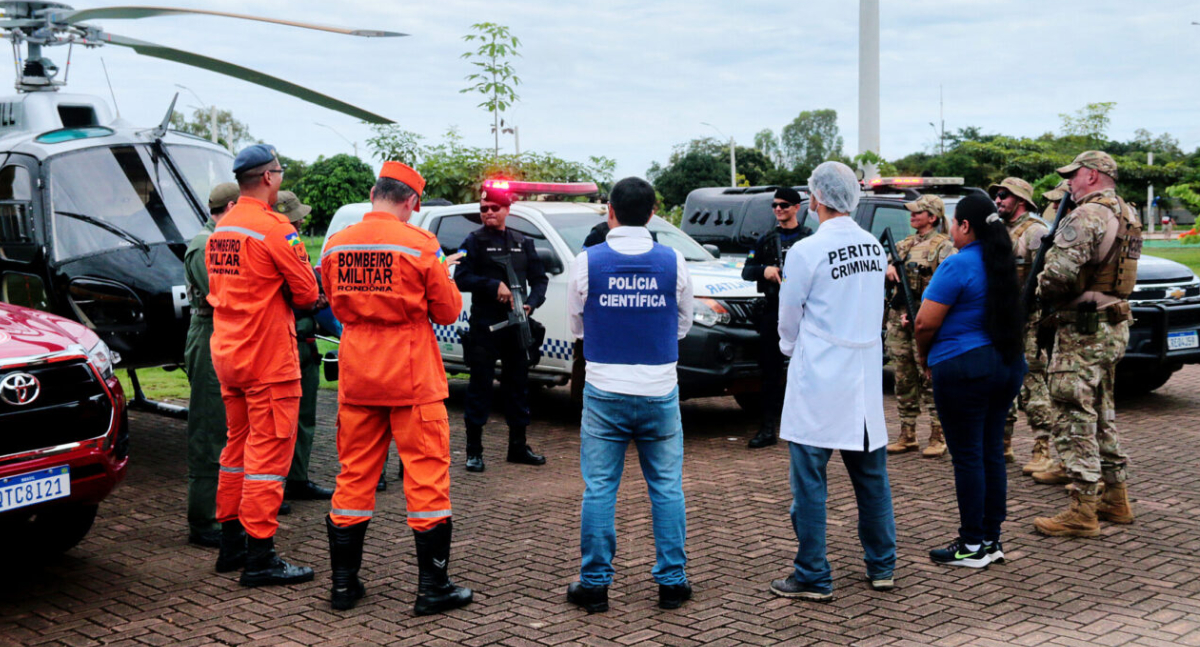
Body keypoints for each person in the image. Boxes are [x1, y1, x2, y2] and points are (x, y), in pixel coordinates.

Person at [321, 162, 472, 615]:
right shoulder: (421, 245)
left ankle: (344, 587)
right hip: (411, 379)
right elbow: (445, 313)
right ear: (413, 203)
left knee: (353, 478)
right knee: (426, 480)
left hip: (359, 375)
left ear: (373, 193)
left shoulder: (334, 245)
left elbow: (332, 301)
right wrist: (444, 275)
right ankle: (432, 589)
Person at [565, 177, 695, 613]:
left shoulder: (587, 261)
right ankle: (672, 582)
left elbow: (576, 326)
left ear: (610, 210)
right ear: (654, 211)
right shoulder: (674, 260)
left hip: (604, 389)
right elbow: (684, 322)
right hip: (660, 388)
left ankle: (595, 584)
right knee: (667, 488)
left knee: (600, 489)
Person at [768, 161, 895, 601]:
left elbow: (789, 315)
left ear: (816, 199)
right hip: (862, 377)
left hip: (819, 378)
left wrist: (789, 350)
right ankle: (882, 566)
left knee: (809, 485)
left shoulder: (806, 251)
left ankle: (813, 575)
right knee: (872, 479)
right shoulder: (874, 249)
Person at [207, 144, 320, 587]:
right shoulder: (274, 228)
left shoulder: (224, 227)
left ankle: (231, 545)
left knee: (236, 451)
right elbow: (307, 293)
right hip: (268, 360)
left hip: (230, 355)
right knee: (267, 459)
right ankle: (260, 557)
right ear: (270, 177)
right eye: (280, 172)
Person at [914, 193, 1027, 567]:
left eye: (954, 221)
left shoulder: (957, 264)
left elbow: (924, 322)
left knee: (967, 456)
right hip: (1005, 364)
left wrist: (924, 355)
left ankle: (970, 544)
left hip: (964, 366)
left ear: (964, 226)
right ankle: (991, 540)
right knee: (990, 451)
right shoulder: (1001, 263)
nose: (950, 226)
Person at [1033, 151, 1141, 537]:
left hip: (1082, 329)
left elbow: (1058, 275)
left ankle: (1083, 509)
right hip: (1113, 325)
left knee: (1072, 413)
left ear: (1092, 175)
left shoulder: (1087, 215)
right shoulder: (1128, 213)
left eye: (1074, 176)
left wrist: (1039, 288)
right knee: (1101, 411)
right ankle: (1116, 496)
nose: (1069, 184)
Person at [454, 187, 549, 472]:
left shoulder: (522, 242)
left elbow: (540, 279)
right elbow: (460, 277)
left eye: (495, 208)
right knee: (479, 388)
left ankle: (518, 447)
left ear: (507, 210)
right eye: (484, 209)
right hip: (485, 327)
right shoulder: (472, 241)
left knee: (518, 386)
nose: (489, 213)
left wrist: (531, 304)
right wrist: (492, 285)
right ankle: (474, 451)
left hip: (517, 325)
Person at [267, 191, 336, 502]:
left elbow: (308, 288)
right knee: (276, 422)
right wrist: (307, 298)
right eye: (297, 217)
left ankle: (297, 479)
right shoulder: (271, 246)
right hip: (282, 342)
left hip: (306, 341)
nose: (302, 220)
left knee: (305, 416)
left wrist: (316, 298)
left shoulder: (297, 248)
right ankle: (271, 489)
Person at [183, 182, 239, 548]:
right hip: (208, 332)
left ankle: (220, 511)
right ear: (232, 205)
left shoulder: (216, 239)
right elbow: (223, 294)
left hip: (220, 332)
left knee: (224, 426)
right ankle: (204, 520)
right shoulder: (205, 244)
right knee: (208, 429)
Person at [990, 177, 1055, 470]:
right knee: (1000, 383)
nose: (999, 200)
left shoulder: (1035, 232)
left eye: (1004, 195)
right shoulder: (997, 231)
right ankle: (1002, 444)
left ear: (1022, 200)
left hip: (1028, 321)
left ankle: (1042, 448)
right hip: (999, 320)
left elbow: (1049, 277)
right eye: (997, 195)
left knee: (1031, 383)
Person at [740, 187, 812, 448]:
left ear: (796, 207)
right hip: (774, 310)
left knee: (806, 371)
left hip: (806, 313)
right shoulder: (767, 239)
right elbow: (747, 272)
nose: (778, 209)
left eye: (784, 205)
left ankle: (806, 428)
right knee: (770, 372)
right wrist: (765, 270)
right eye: (775, 205)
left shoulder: (808, 239)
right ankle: (768, 428)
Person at [883, 195, 954, 458]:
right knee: (903, 376)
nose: (912, 216)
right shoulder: (903, 245)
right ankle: (907, 432)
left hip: (925, 317)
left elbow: (946, 286)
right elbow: (887, 265)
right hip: (899, 317)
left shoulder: (944, 247)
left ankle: (938, 433)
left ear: (932, 217)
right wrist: (889, 269)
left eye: (918, 212)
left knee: (930, 376)